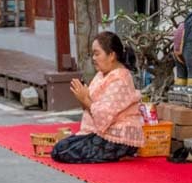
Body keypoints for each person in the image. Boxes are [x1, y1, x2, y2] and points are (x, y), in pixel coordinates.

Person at [51, 31, 145, 164]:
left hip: (118, 136)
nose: (93, 58)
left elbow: (104, 116)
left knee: (62, 152)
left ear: (111, 55)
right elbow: (91, 107)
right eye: (93, 54)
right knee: (61, 148)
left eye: (97, 53)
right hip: (101, 131)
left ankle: (121, 153)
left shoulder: (121, 79)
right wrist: (82, 98)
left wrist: (85, 99)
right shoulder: (102, 74)